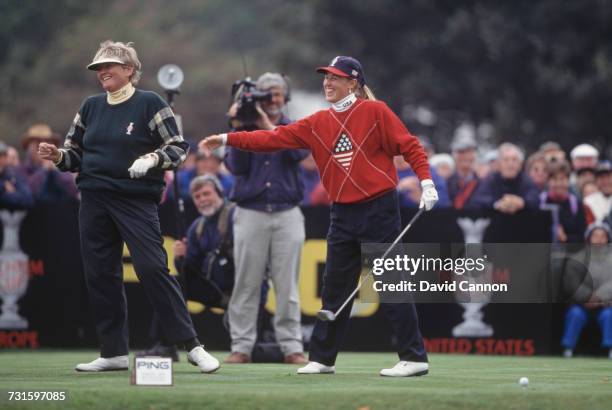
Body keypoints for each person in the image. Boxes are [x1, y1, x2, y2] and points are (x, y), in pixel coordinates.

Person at [200, 55, 439, 377]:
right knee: (334, 288)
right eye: (326, 77)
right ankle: (324, 359)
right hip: (341, 211)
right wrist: (228, 138)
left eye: (335, 78)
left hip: (378, 208)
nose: (327, 82)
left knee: (392, 282)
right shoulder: (317, 122)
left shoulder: (375, 111)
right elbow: (272, 139)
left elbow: (410, 146)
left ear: (353, 82)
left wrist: (426, 182)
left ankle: (414, 357)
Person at [37, 40, 219, 373]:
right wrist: (59, 157)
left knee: (152, 269)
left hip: (134, 199)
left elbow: (178, 147)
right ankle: (113, 352)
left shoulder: (150, 103)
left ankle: (192, 345)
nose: (102, 72)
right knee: (101, 275)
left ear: (129, 70)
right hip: (93, 198)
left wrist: (152, 159)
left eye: (109, 66)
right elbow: (74, 154)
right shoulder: (90, 106)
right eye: (98, 68)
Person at [223, 72, 308, 364]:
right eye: (266, 94)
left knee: (288, 286)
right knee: (246, 283)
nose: (273, 99)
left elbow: (299, 155)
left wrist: (268, 127)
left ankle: (292, 346)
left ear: (286, 97)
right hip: (251, 212)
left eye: (277, 93)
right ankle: (241, 346)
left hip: (287, 213)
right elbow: (236, 166)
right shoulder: (244, 128)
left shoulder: (294, 127)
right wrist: (237, 126)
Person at [561, 222, 612, 359]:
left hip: (606, 305)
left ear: (608, 239)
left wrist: (600, 297)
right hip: (582, 305)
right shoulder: (576, 258)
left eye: (603, 236)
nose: (599, 240)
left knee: (609, 316)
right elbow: (571, 283)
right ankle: (568, 348)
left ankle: (610, 349)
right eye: (595, 236)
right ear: (588, 238)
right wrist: (587, 296)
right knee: (575, 314)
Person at [472, 143, 539, 214]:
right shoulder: (490, 179)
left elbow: (535, 198)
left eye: (514, 160)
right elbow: (479, 199)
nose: (510, 164)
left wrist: (522, 203)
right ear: (499, 164)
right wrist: (497, 204)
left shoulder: (527, 180)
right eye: (506, 160)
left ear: (520, 164)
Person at [19, 123, 78, 202]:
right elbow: (28, 193)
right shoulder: (22, 169)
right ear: (29, 147)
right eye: (37, 143)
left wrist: (55, 169)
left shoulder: (61, 166)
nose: (43, 147)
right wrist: (43, 170)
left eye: (47, 142)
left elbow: (73, 191)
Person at [539, 161, 586, 243]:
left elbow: (582, 236)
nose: (559, 184)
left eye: (562, 179)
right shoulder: (540, 201)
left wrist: (565, 238)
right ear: (548, 181)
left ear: (568, 181)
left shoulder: (576, 204)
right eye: (554, 179)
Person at [447, 135, 480, 209]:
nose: (466, 156)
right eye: (461, 152)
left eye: (469, 152)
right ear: (454, 156)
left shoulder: (483, 182)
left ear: (474, 156)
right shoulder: (447, 182)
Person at [0, 141, 33, 210]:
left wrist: (8, 195)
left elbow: (28, 199)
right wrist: (4, 187)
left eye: (1, 156)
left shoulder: (13, 175)